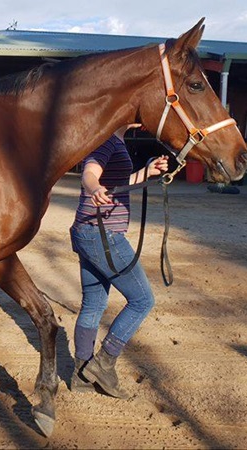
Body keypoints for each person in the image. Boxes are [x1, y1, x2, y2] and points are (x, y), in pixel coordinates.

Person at [69, 124, 168, 398]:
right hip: (103, 233)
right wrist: (94, 187)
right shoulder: (106, 139)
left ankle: (81, 375)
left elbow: (117, 184)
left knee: (94, 303)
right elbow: (89, 172)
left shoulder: (115, 139)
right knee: (142, 300)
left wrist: (148, 172)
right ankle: (103, 363)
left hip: (88, 230)